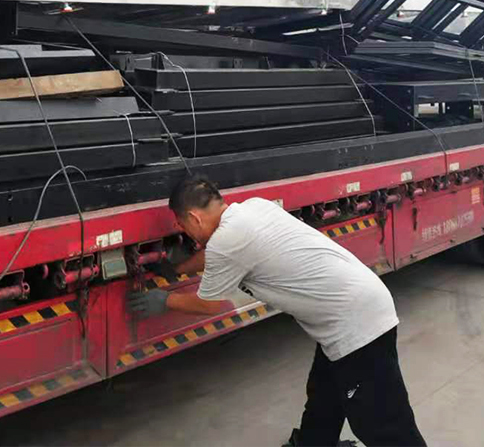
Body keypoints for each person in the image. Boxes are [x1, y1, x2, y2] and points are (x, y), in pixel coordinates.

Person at [129, 176, 426, 447]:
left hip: (356, 324)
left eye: (182, 225)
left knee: (382, 422)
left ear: (194, 217)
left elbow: (210, 303)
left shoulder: (225, 242)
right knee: (325, 393)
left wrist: (165, 301)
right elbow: (220, 253)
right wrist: (179, 268)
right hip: (354, 306)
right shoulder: (254, 209)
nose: (184, 232)